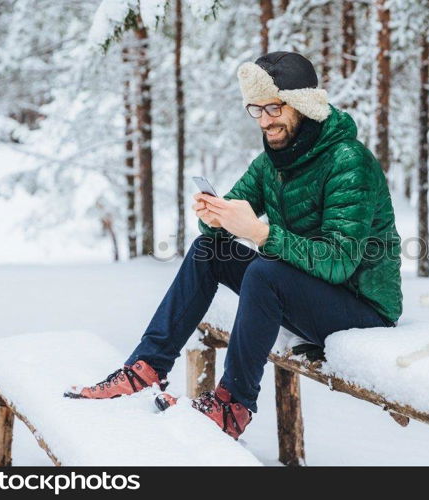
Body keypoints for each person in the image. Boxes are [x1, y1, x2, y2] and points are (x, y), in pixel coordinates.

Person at [65, 51, 403, 440]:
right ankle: (146, 368)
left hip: (362, 309)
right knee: (207, 251)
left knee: (265, 271)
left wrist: (260, 234)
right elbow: (226, 220)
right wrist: (213, 216)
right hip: (305, 293)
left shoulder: (348, 161)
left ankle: (232, 406)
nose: (264, 120)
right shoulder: (272, 162)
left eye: (273, 108)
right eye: (255, 110)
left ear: (303, 104)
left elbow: (340, 263)